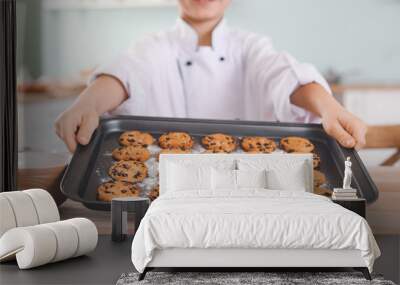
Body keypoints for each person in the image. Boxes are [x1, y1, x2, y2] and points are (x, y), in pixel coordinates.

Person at [55, 0, 367, 153]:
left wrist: (329, 107)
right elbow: (128, 72)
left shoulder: (250, 46)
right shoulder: (154, 46)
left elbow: (283, 75)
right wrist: (88, 103)